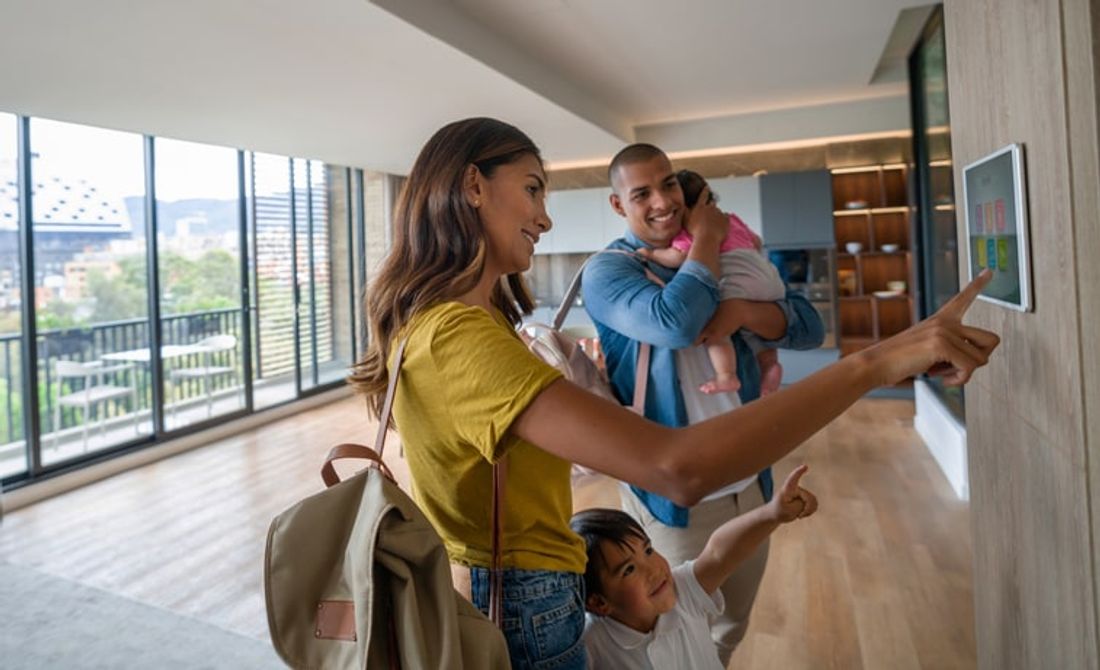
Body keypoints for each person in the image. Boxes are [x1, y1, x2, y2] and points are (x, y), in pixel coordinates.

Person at [350, 117, 998, 670]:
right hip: (524, 602)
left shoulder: (453, 325)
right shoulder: (459, 335)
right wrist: (876, 362)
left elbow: (797, 322)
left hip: (536, 592)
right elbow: (675, 467)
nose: (544, 216)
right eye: (532, 190)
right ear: (471, 186)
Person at [582, 143, 825, 663]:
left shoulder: (732, 257)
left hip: (750, 485)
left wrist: (739, 310)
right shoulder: (609, 272)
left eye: (668, 184)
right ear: (618, 205)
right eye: (641, 193)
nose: (663, 201)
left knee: (729, 627)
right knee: (669, 639)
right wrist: (710, 237)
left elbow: (809, 325)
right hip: (675, 501)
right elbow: (677, 322)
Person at [572, 465, 818, 670]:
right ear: (598, 603)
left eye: (648, 550)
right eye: (628, 570)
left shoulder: (682, 591)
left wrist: (771, 513)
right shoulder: (591, 643)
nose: (653, 570)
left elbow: (718, 553)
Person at [640, 169, 786, 395]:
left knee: (716, 330)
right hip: (771, 279)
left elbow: (676, 257)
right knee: (753, 331)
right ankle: (769, 365)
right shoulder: (731, 219)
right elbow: (756, 242)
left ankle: (726, 375)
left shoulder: (693, 231)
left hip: (739, 281)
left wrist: (650, 254)